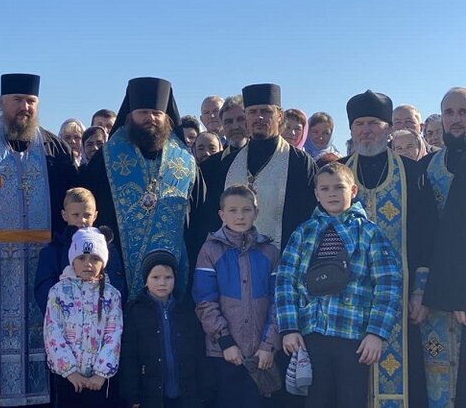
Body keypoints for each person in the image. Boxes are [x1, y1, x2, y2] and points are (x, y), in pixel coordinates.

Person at [0, 73, 78, 407]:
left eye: (30, 102)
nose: (24, 108)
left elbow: (72, 211)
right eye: (17, 100)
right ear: (2, 102)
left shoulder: (56, 149)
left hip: (45, 270)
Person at [275, 162, 402, 408]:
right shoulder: (303, 233)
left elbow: (387, 284)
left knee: (351, 400)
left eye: (339, 187)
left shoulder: (369, 233)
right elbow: (285, 281)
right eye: (325, 188)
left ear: (353, 191)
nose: (332, 193)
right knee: (317, 400)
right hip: (313, 334)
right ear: (316, 194)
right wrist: (289, 328)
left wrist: (376, 332)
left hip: (353, 336)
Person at [340, 89, 436, 407]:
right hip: (347, 301)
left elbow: (426, 235)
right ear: (351, 129)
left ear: (389, 129)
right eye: (360, 124)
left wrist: (421, 291)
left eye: (374, 123)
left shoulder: (412, 173)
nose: (366, 130)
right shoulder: (336, 175)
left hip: (401, 297)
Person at [81, 77, 204, 299]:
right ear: (130, 116)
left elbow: (199, 215)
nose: (151, 118)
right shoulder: (106, 158)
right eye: (144, 112)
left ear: (166, 117)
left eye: (157, 113)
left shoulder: (185, 160)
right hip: (118, 270)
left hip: (172, 271)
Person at [196, 84, 317, 252]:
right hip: (232, 265)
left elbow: (309, 219)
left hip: (282, 265)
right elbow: (213, 218)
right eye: (252, 112)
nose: (259, 118)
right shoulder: (228, 164)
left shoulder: (300, 162)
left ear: (280, 116)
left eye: (266, 111)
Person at [193, 185, 281, 408]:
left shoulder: (270, 252)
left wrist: (268, 345)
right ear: (222, 214)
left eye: (246, 210)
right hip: (225, 353)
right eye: (232, 211)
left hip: (262, 355)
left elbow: (279, 302)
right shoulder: (210, 250)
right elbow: (205, 301)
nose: (240, 216)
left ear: (256, 212)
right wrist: (225, 341)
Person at [421, 87, 466, 407]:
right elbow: (421, 232)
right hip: (435, 294)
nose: (456, 119)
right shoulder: (429, 165)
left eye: (463, 112)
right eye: (449, 112)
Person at [43, 227, 123, 408]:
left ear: (103, 262)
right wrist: (69, 371)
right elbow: (52, 332)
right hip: (68, 378)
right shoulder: (58, 292)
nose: (88, 264)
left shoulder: (111, 295)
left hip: (98, 381)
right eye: (82, 258)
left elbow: (114, 335)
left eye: (95, 258)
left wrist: (101, 374)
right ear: (73, 261)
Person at [120, 250, 206, 408]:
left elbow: (198, 350)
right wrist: (132, 396)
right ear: (145, 280)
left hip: (186, 393)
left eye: (168, 277)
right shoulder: (136, 312)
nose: (162, 283)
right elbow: (129, 356)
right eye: (155, 277)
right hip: (151, 394)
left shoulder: (186, 309)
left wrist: (203, 390)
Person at [34, 187, 127, 313]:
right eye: (76, 215)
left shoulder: (107, 249)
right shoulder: (52, 252)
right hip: (67, 321)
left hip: (100, 319)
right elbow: (44, 291)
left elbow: (117, 286)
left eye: (87, 215)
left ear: (95, 215)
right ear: (65, 215)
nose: (82, 220)